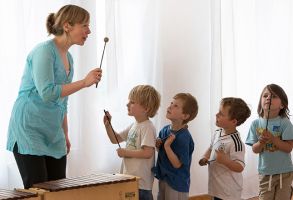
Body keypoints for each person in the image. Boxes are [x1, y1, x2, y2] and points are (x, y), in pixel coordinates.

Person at [6, 4, 102, 189]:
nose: (89, 31)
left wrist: (64, 133)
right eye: (85, 25)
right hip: (29, 129)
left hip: (53, 132)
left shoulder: (69, 58)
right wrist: (84, 82)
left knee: (58, 190)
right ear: (67, 26)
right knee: (39, 191)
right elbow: (48, 93)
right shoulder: (44, 51)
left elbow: (62, 102)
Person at [103, 85, 160, 200]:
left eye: (132, 102)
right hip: (130, 180)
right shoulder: (134, 125)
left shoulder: (148, 127)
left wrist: (125, 152)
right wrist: (108, 126)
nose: (127, 104)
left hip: (141, 184)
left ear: (146, 108)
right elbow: (115, 139)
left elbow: (147, 153)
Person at [245, 84, 293, 200]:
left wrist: (273, 139)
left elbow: (288, 148)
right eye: (265, 95)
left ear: (282, 105)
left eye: (274, 96)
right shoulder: (255, 124)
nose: (268, 98)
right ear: (260, 102)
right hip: (265, 172)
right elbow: (255, 150)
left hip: (285, 172)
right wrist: (261, 142)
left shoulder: (285, 123)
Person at [199, 97, 251, 200]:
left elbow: (240, 167)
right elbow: (210, 148)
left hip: (229, 192)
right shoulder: (217, 133)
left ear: (233, 121)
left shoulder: (236, 143)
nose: (216, 115)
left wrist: (226, 161)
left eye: (221, 114)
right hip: (217, 188)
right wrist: (204, 157)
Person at [153, 93, 198, 200]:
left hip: (177, 183)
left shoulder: (184, 137)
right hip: (164, 178)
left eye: (175, 106)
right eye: (171, 103)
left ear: (185, 116)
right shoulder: (164, 130)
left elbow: (177, 164)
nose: (170, 106)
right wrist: (158, 146)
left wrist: (167, 146)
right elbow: (162, 153)